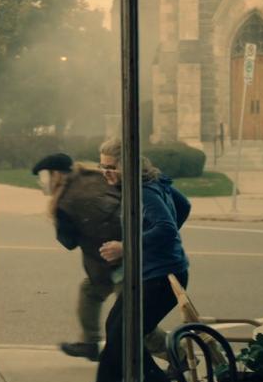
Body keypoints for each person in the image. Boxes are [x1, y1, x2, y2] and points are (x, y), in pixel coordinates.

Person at [77, 138, 190, 382]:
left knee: (123, 332)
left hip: (161, 278)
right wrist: (155, 245)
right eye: (102, 166)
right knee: (120, 329)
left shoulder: (144, 191)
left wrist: (127, 247)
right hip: (157, 272)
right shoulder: (153, 182)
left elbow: (166, 227)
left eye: (110, 167)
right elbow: (183, 206)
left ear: (127, 166)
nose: (105, 173)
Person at [30, 152, 168, 362]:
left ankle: (179, 356)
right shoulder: (90, 177)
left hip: (120, 262)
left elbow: (69, 242)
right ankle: (89, 342)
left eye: (44, 176)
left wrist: (59, 219)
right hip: (124, 257)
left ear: (56, 174)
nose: (43, 182)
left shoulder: (68, 200)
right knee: (90, 291)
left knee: (134, 321)